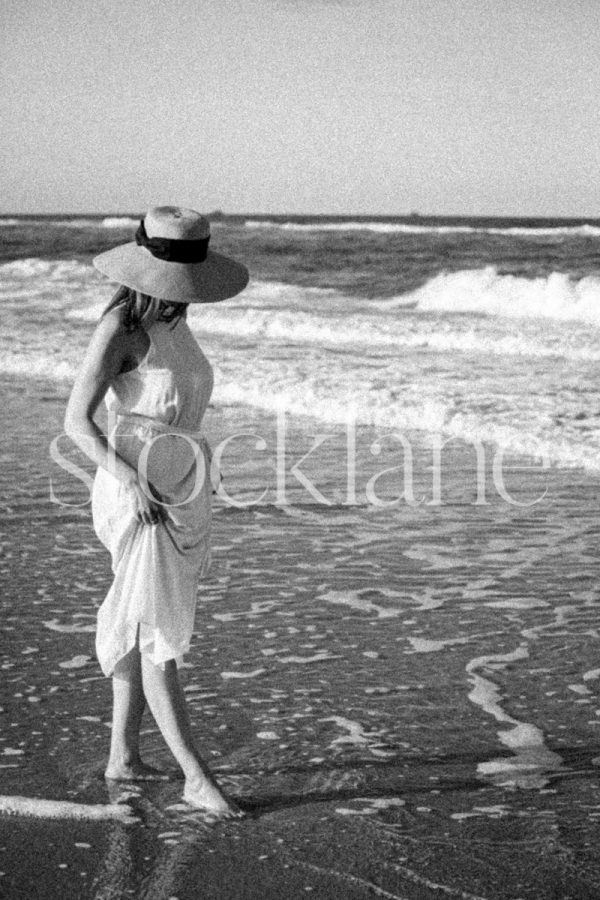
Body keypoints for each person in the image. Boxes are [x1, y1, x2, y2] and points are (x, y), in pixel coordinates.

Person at [64, 206, 249, 819]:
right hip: (138, 495)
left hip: (182, 488)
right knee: (155, 633)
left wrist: (197, 467)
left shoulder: (175, 318)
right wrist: (132, 481)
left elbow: (180, 408)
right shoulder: (119, 326)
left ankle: (122, 755)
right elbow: (77, 422)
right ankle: (196, 776)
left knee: (143, 619)